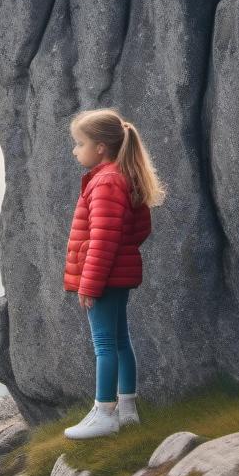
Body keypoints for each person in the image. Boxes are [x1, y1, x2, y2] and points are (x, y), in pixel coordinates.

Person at [62, 108, 166, 439]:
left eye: (79, 144)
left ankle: (104, 412)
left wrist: (89, 285)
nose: (75, 150)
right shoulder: (122, 176)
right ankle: (128, 410)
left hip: (103, 278)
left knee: (104, 344)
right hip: (117, 275)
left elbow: (103, 240)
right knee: (121, 341)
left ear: (101, 148)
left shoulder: (106, 182)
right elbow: (138, 231)